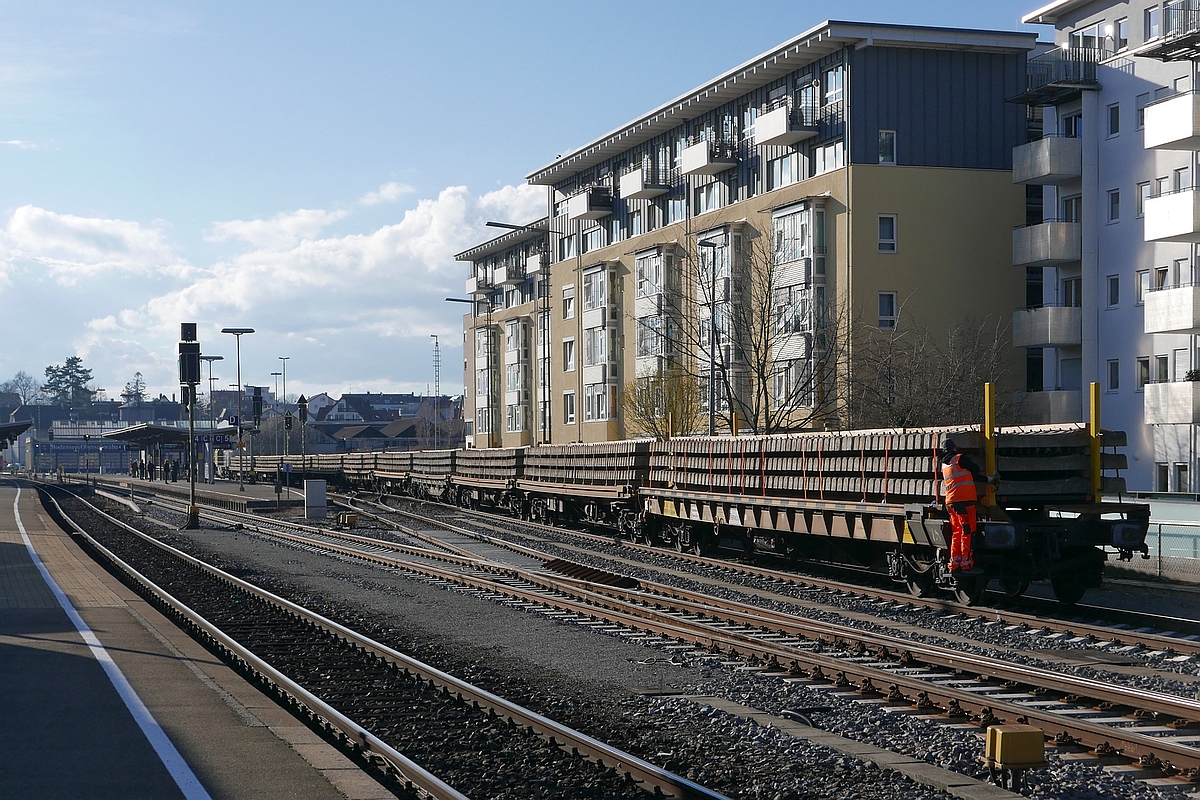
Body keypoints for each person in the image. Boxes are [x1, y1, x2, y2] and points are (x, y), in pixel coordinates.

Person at [937, 438, 996, 573]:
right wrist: (990, 479)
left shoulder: (944, 464)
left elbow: (969, 476)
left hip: (951, 502)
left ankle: (954, 563)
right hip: (965, 501)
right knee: (967, 532)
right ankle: (966, 564)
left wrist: (989, 480)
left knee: (957, 532)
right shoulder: (959, 459)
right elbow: (975, 470)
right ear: (955, 447)